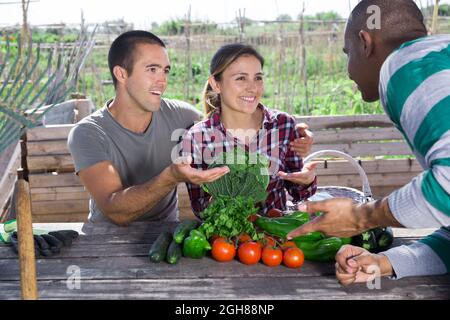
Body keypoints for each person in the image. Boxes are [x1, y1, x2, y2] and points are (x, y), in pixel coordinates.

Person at [287, 0, 450, 283]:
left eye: (347, 53)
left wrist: (360, 217)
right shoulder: (439, 58)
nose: (349, 71)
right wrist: (385, 261)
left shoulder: (407, 66)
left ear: (365, 42)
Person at [67, 30, 231, 225]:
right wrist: (171, 177)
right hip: (106, 239)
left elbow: (226, 135)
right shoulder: (88, 133)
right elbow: (115, 210)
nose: (162, 81)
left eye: (165, 70)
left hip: (167, 237)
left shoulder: (183, 116)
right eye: (152, 69)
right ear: (121, 74)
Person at [180, 44, 318, 217]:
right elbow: (201, 209)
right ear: (216, 84)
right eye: (241, 78)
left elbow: (299, 194)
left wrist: (306, 181)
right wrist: (229, 194)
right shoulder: (197, 138)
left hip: (275, 239)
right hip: (225, 242)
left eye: (258, 78)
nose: (253, 87)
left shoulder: (283, 125)